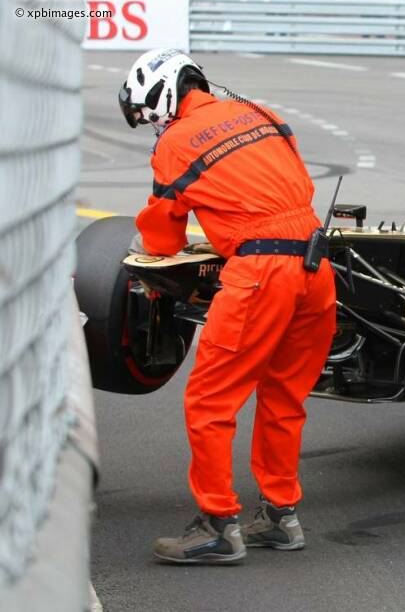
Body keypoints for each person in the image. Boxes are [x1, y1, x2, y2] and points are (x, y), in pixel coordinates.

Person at [117, 48, 337, 564]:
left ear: (166, 94)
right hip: (317, 268)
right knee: (283, 397)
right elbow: (291, 185)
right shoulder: (262, 114)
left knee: (209, 401)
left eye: (149, 112)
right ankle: (281, 517)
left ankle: (217, 526)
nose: (153, 123)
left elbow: (164, 238)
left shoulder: (175, 142)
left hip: (261, 273)